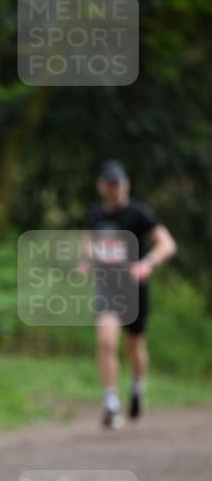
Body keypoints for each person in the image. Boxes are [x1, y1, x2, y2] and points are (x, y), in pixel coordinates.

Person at [85, 160, 176, 429]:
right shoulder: (96, 215)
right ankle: (111, 404)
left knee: (134, 346)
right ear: (102, 186)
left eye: (119, 184)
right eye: (110, 184)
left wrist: (147, 263)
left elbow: (167, 243)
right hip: (108, 288)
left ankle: (137, 388)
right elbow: (89, 244)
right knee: (105, 342)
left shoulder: (139, 213)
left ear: (126, 185)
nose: (114, 189)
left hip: (135, 290)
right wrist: (86, 261)